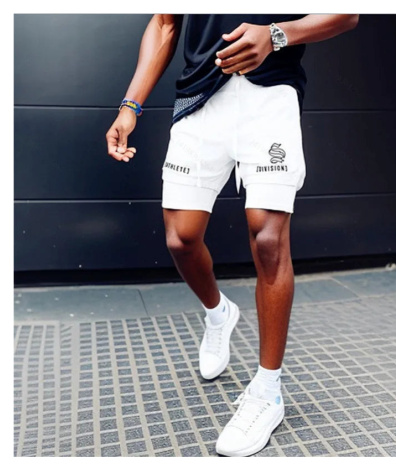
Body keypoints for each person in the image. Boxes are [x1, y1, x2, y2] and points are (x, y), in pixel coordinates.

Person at [106, 13, 359, 457]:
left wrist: (277, 35)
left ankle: (267, 391)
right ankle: (219, 312)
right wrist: (130, 106)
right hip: (200, 98)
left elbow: (346, 13)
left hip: (271, 93)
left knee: (268, 239)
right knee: (180, 239)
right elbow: (165, 23)